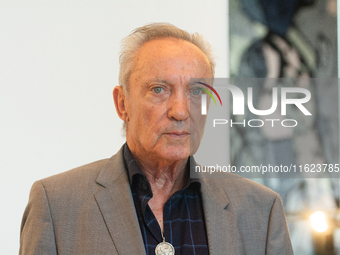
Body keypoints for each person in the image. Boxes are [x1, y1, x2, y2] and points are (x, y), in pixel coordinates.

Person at [20, 23, 293, 255]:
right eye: (159, 89)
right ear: (122, 103)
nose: (181, 111)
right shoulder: (57, 205)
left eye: (197, 91)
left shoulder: (261, 210)